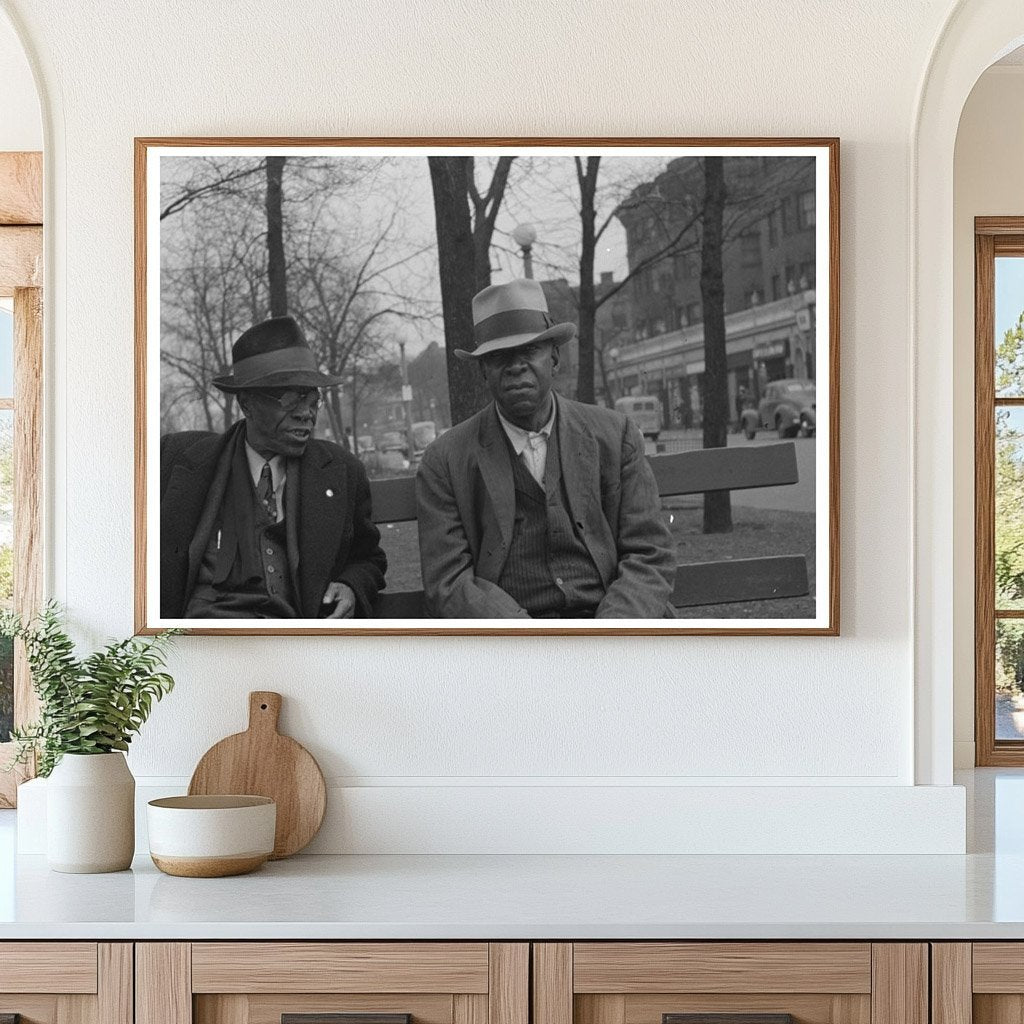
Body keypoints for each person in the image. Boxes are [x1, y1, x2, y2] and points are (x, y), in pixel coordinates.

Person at [416, 279, 676, 619]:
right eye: (499, 357)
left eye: (529, 350)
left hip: (609, 627)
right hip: (512, 646)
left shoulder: (614, 435)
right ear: (483, 369)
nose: (516, 366)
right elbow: (448, 583)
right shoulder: (446, 460)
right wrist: (530, 642)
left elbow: (650, 552)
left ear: (554, 356)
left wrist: (610, 633)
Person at [161, 316, 386, 619]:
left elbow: (368, 558)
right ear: (246, 404)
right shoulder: (182, 460)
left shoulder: (341, 471)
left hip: (292, 643)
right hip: (201, 639)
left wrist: (351, 585)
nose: (306, 414)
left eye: (312, 400)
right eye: (290, 399)